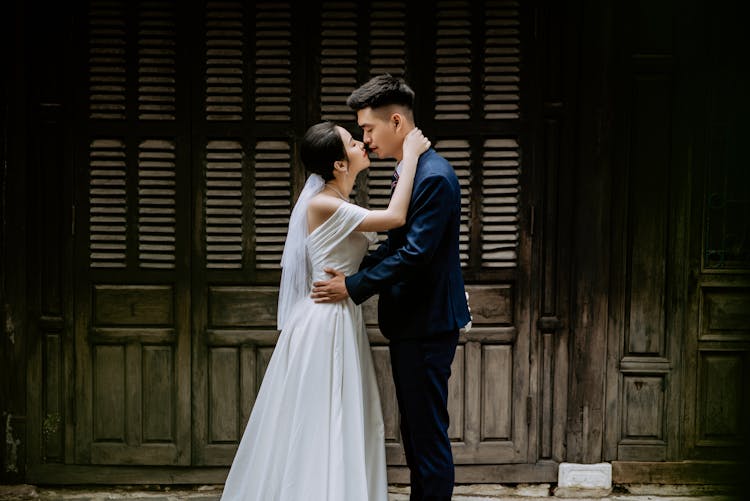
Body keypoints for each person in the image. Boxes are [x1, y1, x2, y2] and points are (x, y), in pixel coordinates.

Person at [219, 121, 430, 501]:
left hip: (341, 313)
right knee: (321, 416)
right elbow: (396, 218)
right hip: (325, 322)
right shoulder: (324, 203)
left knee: (343, 414)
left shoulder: (341, 202)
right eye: (352, 141)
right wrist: (411, 155)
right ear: (337, 163)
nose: (362, 143)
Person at [311, 74, 471, 501]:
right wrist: (354, 268)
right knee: (415, 431)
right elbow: (396, 243)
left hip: (427, 325)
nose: (365, 139)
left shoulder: (433, 176)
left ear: (396, 122)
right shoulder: (412, 171)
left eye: (368, 129)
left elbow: (415, 254)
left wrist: (354, 285)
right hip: (412, 325)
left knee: (427, 435)